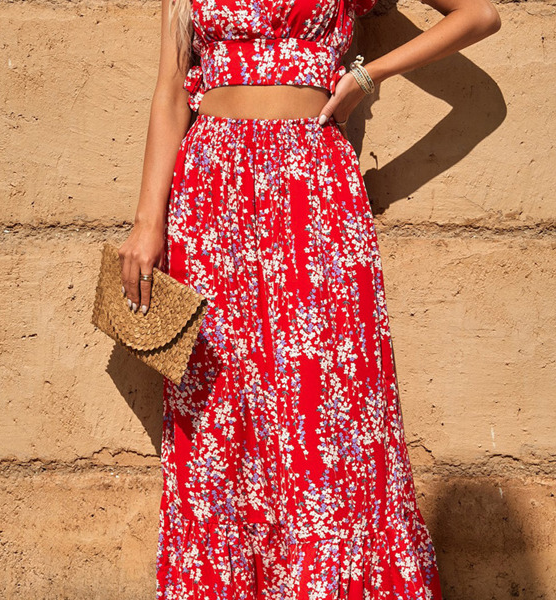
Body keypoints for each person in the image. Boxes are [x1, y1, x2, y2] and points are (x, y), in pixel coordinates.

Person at [118, 0, 500, 595]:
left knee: (331, 406)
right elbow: (170, 91)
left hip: (313, 188)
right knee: (221, 409)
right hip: (211, 192)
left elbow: (477, 15)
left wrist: (368, 75)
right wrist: (148, 223)